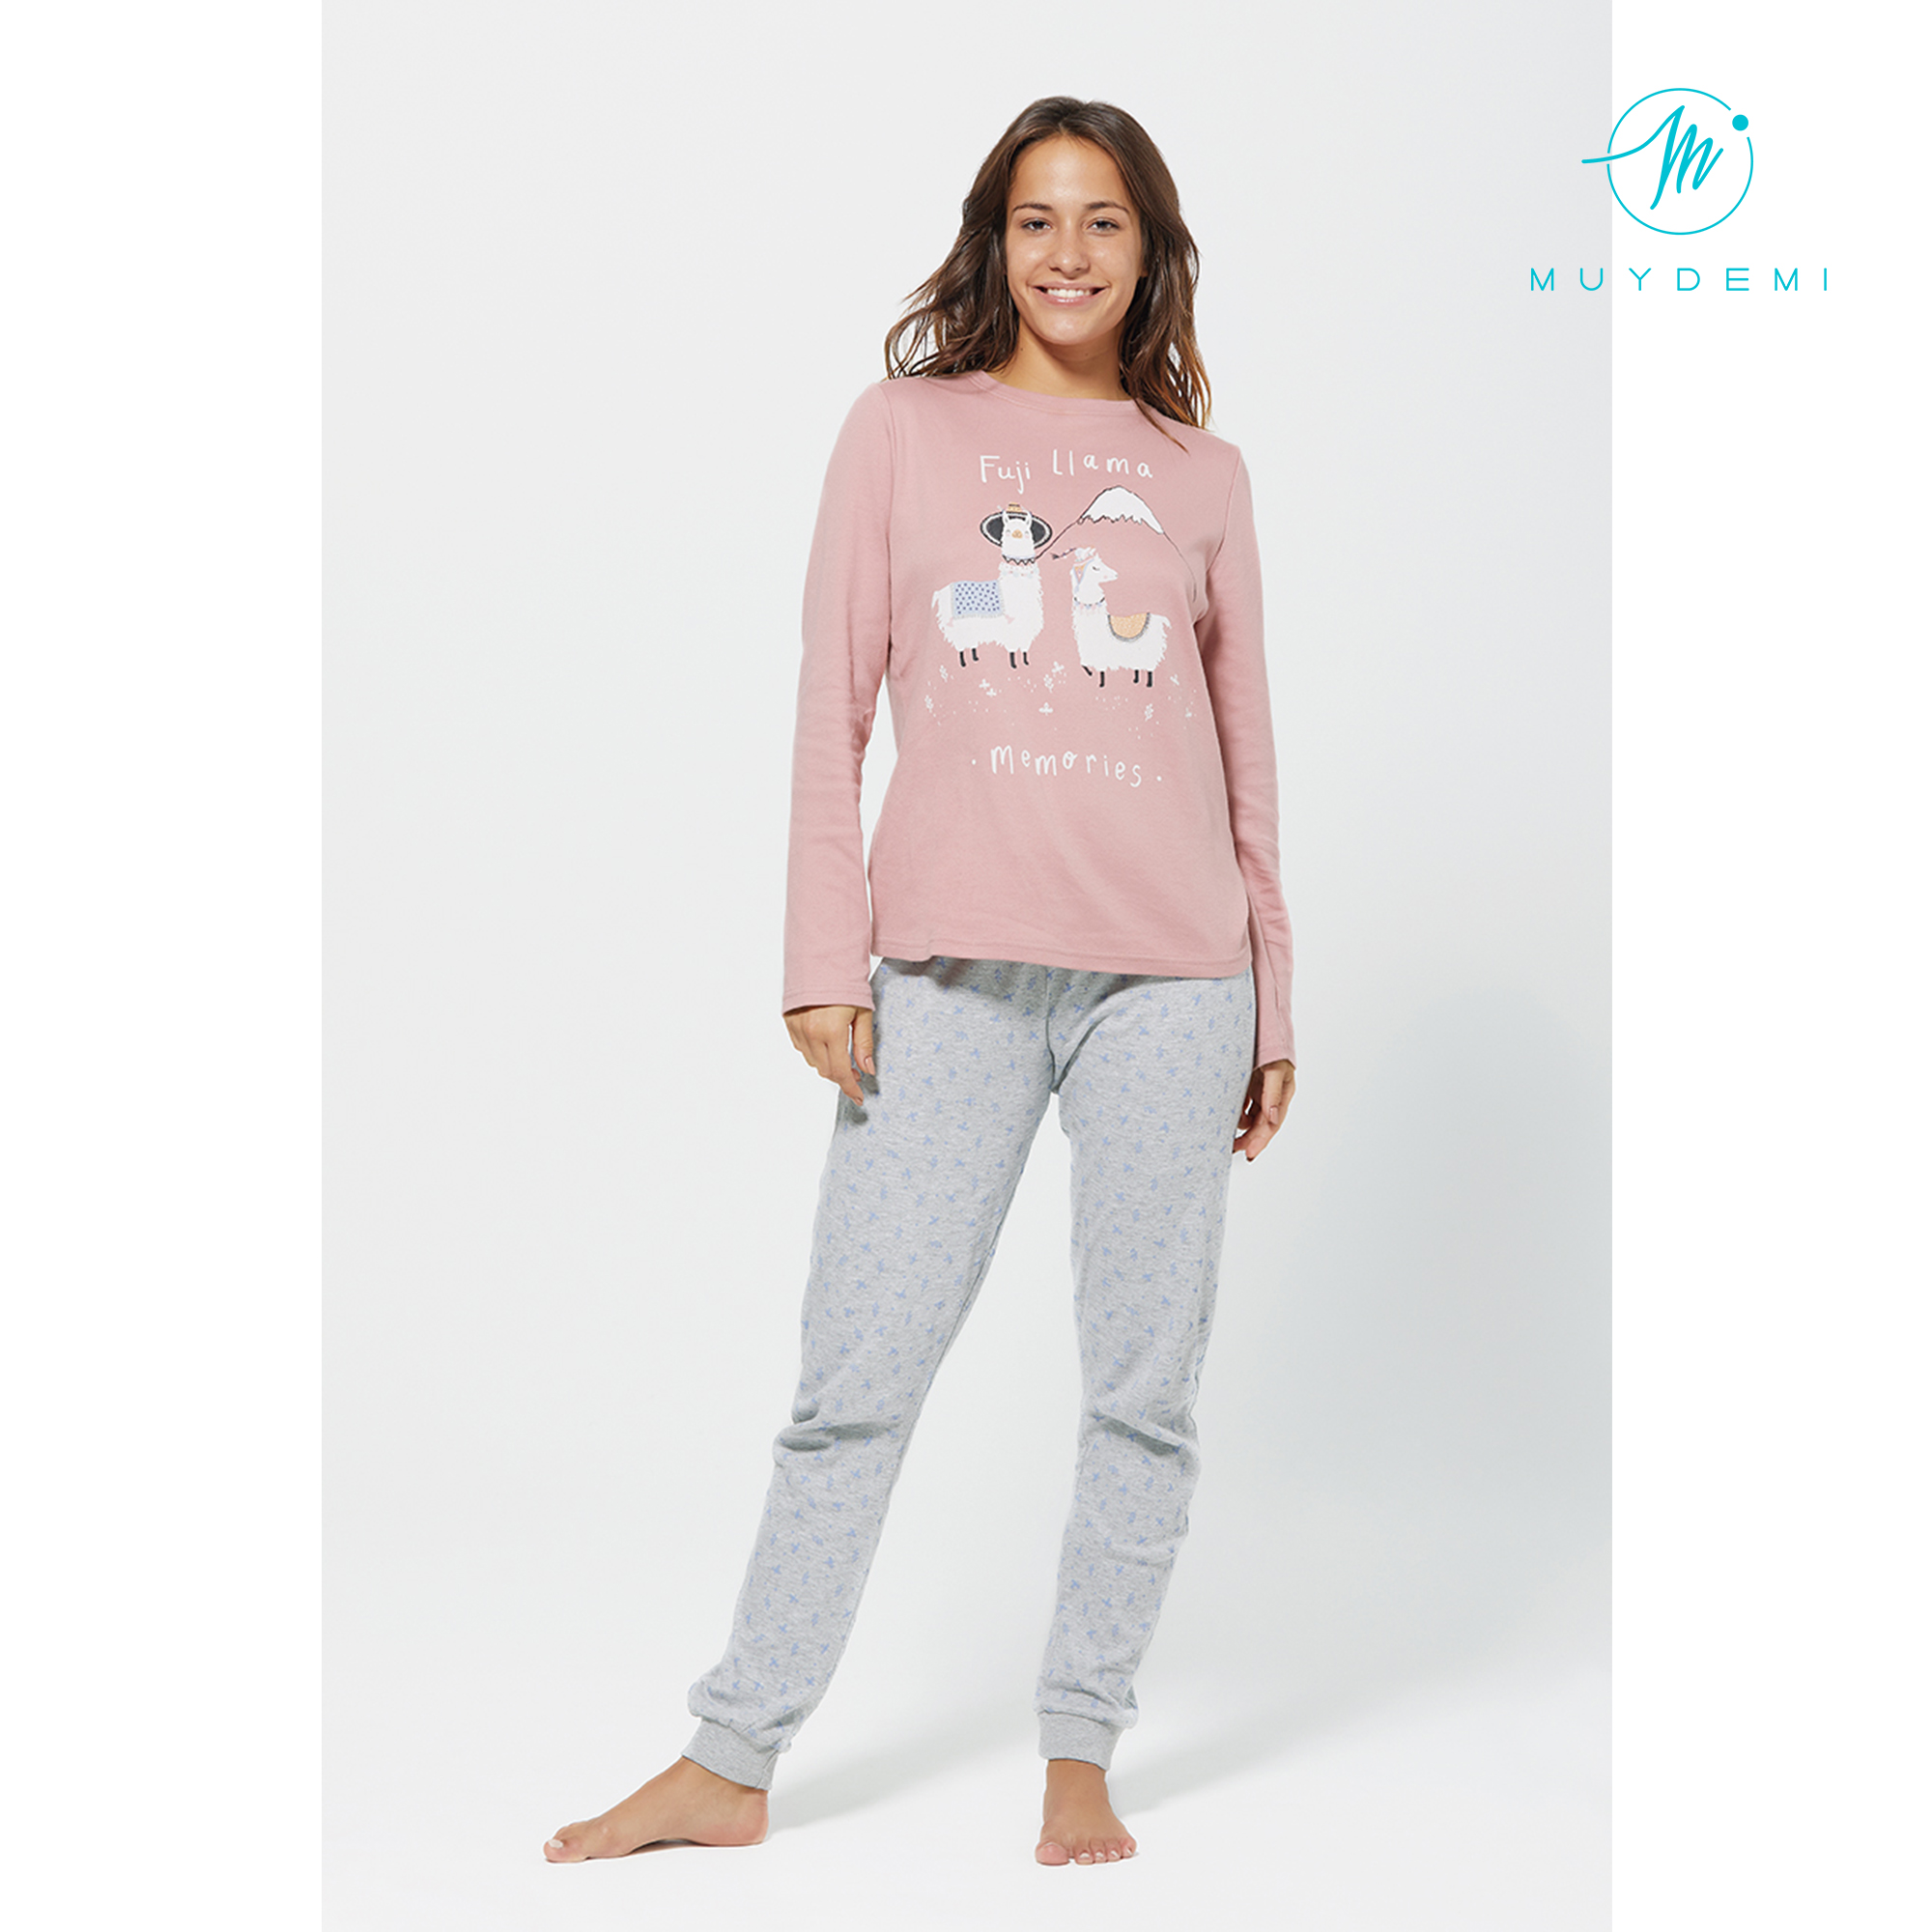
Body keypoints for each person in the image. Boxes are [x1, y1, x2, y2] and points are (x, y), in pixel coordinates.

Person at [544, 95, 1295, 1870]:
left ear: (1150, 251)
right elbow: (832, 703)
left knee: (1143, 1392)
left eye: (1103, 220)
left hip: (1173, 983)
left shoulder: (1202, 473)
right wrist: (824, 955)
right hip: (949, 974)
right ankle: (734, 1756)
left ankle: (1081, 1746)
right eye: (1037, 219)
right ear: (993, 240)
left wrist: (1277, 993)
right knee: (856, 1381)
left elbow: (1248, 752)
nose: (1067, 253)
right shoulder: (900, 432)